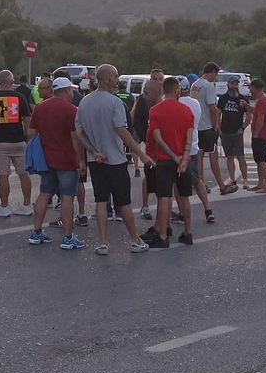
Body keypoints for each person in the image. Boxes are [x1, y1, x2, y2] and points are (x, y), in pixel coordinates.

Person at [77, 64, 153, 254]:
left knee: (101, 201)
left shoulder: (85, 102)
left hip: (96, 161)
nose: (118, 80)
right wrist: (141, 154)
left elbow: (79, 132)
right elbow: (122, 131)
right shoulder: (115, 102)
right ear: (106, 79)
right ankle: (135, 240)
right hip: (116, 160)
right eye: (116, 76)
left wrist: (93, 152)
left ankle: (103, 243)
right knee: (123, 202)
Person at [26, 77, 87, 250]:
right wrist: (81, 160)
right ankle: (67, 237)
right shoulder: (71, 110)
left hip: (46, 159)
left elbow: (31, 133)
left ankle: (36, 232)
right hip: (67, 160)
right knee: (67, 197)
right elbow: (75, 138)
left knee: (44, 194)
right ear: (67, 90)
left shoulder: (40, 108)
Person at [142, 76, 195, 249]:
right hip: (184, 160)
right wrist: (183, 159)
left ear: (164, 90)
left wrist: (173, 156)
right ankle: (188, 232)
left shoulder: (155, 110)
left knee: (164, 197)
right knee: (185, 197)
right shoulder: (187, 111)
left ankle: (163, 235)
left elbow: (158, 138)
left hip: (165, 160)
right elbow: (189, 138)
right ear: (176, 90)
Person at [0, 70, 33, 217]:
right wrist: (27, 137)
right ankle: (27, 205)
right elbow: (27, 120)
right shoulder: (20, 97)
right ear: (12, 81)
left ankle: (4, 207)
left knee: (3, 175)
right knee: (24, 174)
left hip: (0, 141)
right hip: (19, 140)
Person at [177, 78, 216, 225]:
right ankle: (207, 209)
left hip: (179, 148)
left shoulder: (176, 103)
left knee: (177, 183)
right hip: (193, 146)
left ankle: (182, 213)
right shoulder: (195, 103)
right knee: (196, 180)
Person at [216, 76, 252, 193]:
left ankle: (245, 180)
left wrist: (243, 128)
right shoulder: (223, 99)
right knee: (229, 156)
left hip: (237, 132)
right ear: (228, 84)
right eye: (232, 84)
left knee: (241, 157)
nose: (234, 86)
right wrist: (219, 129)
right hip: (225, 132)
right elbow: (217, 114)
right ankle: (232, 178)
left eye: (236, 84)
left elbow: (249, 115)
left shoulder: (243, 99)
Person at [131, 76, 161, 220]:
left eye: (160, 78)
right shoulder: (142, 101)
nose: (144, 95)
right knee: (149, 176)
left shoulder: (165, 103)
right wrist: (145, 138)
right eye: (155, 78)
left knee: (166, 180)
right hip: (150, 146)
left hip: (164, 150)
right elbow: (137, 121)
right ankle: (145, 205)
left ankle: (165, 210)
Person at [192, 63, 224, 193]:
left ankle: (201, 184)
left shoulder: (195, 85)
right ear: (211, 72)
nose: (215, 77)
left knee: (199, 156)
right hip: (207, 126)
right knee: (213, 155)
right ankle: (221, 185)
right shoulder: (208, 86)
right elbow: (212, 108)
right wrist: (216, 126)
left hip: (197, 125)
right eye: (215, 74)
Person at [246, 78, 266, 193]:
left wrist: (256, 134)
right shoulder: (259, 100)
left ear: (255, 88)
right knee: (258, 160)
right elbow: (256, 112)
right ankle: (260, 183)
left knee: (262, 160)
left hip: (261, 136)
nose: (250, 90)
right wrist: (247, 106)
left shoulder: (263, 100)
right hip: (259, 135)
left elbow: (261, 118)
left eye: (251, 87)